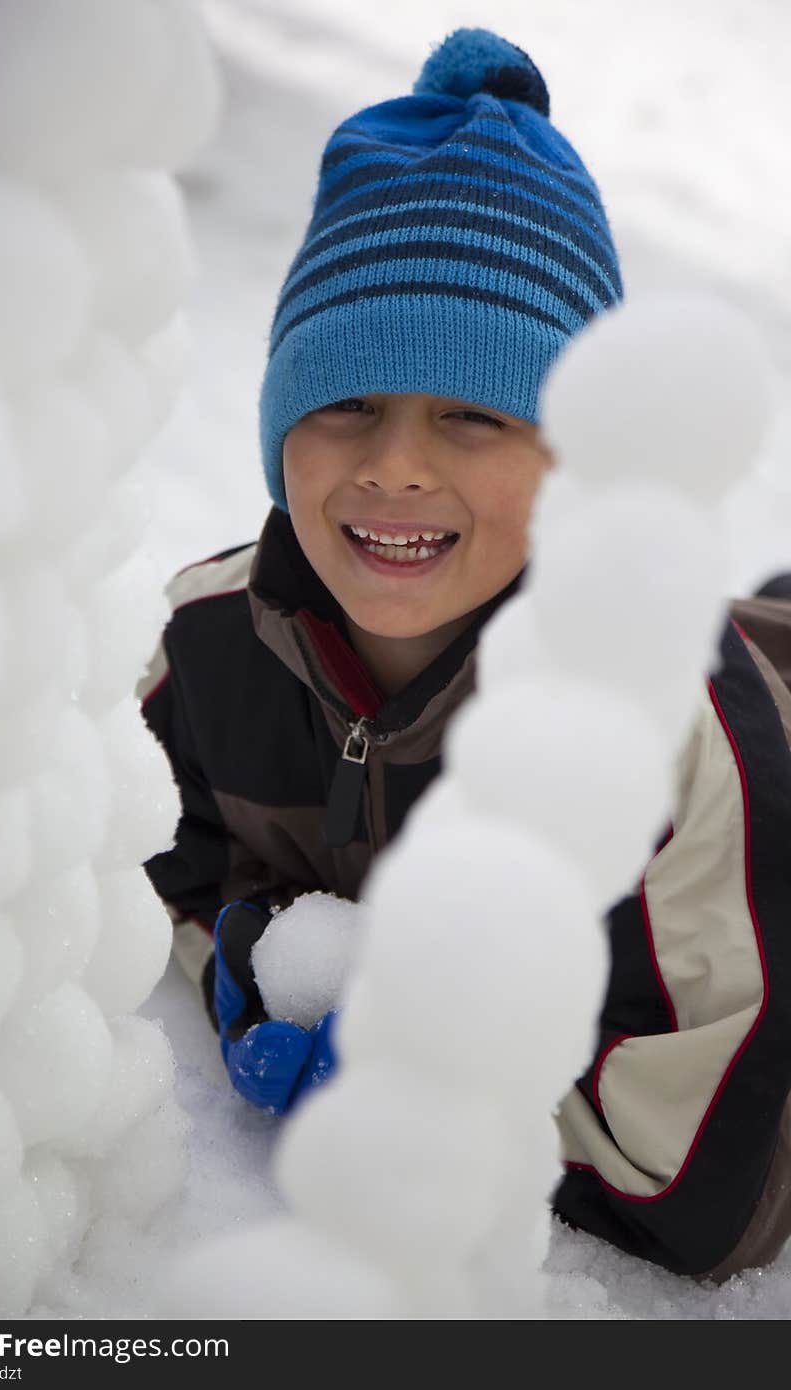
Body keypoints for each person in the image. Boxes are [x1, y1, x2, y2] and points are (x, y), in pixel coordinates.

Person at [136, 29, 791, 1281]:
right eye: (344, 404)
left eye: (474, 414)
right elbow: (145, 864)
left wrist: (407, 1072)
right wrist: (246, 946)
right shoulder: (201, 645)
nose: (394, 464)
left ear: (573, 459)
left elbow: (708, 1189)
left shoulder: (680, 741)